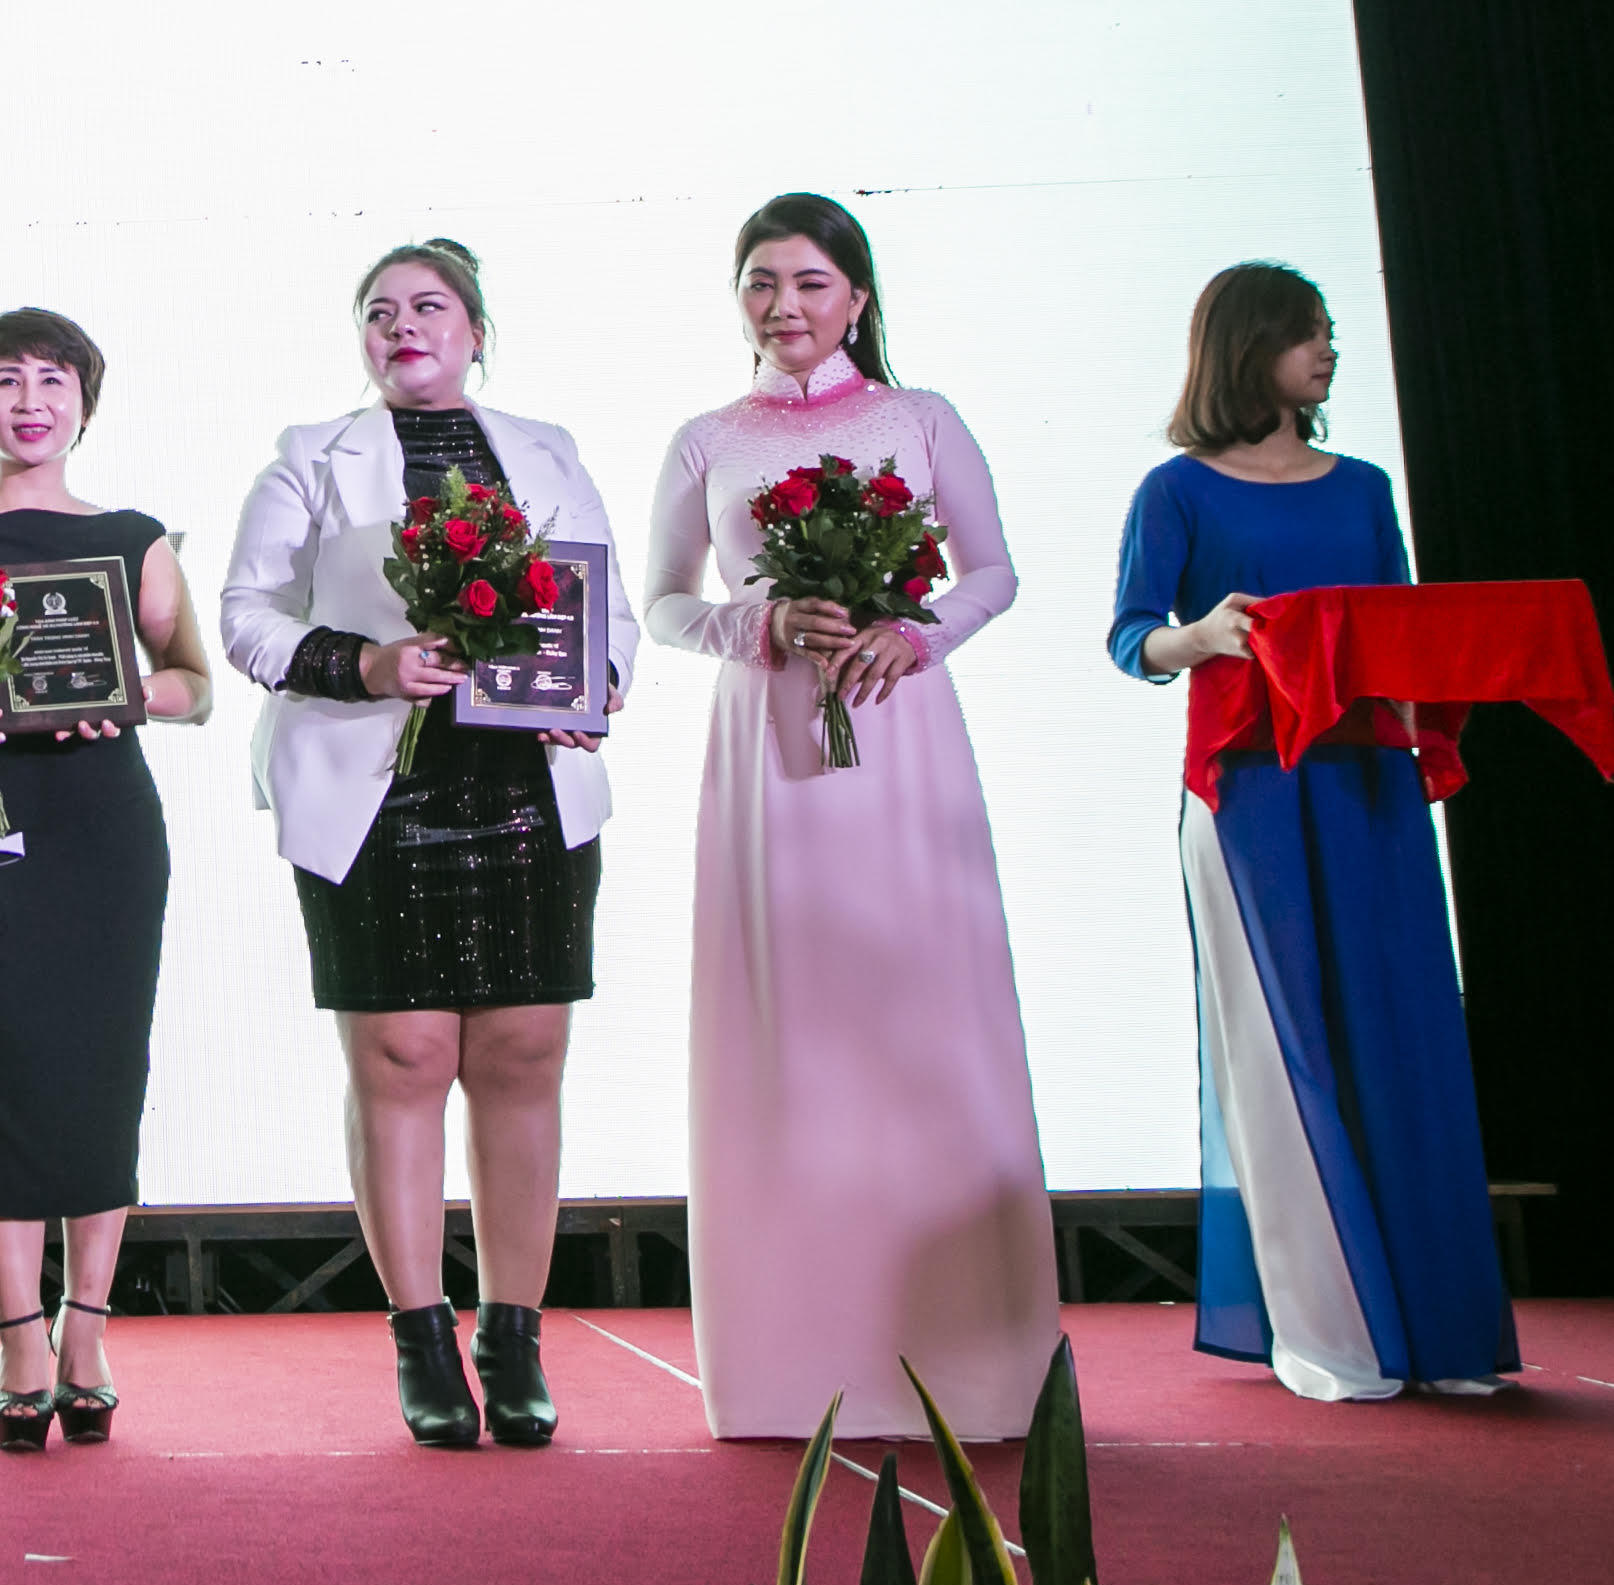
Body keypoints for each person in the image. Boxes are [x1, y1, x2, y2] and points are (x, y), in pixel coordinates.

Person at [646, 194, 1058, 1441]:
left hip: (899, 728)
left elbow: (992, 570)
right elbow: (662, 604)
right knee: (789, 1025)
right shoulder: (704, 438)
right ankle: (788, 1370)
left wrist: (913, 635)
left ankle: (964, 1365)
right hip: (766, 744)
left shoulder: (920, 418)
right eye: (760, 283)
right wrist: (757, 623)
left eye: (809, 282)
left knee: (921, 1013)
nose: (783, 306)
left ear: (856, 298)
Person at [223, 241, 636, 1449]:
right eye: (379, 310)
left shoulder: (546, 449)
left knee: (523, 1051)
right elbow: (245, 615)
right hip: (375, 789)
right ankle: (420, 1336)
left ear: (474, 331)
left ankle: (514, 1336)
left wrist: (594, 686)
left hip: (524, 788)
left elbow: (602, 612)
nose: (401, 325)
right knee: (399, 1056)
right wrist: (365, 663)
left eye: (427, 305)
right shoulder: (309, 454)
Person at [1109, 263, 1517, 1400]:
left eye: (1329, 333)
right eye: (1305, 335)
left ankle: (1439, 1331)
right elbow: (1132, 638)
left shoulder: (1363, 486)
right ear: (1247, 348)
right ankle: (1330, 1331)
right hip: (1246, 793)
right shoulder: (1175, 491)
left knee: (1406, 1032)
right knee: (1283, 1048)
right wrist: (1201, 636)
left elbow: (1401, 624)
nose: (1327, 351)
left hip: (1368, 783)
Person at [0, 310, 212, 1451]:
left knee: (103, 1068)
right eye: (8, 379)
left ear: (84, 403)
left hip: (102, 826)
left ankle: (88, 1329)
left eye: (53, 380)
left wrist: (130, 695)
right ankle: (18, 1334)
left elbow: (194, 681)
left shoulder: (130, 535)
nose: (30, 400)